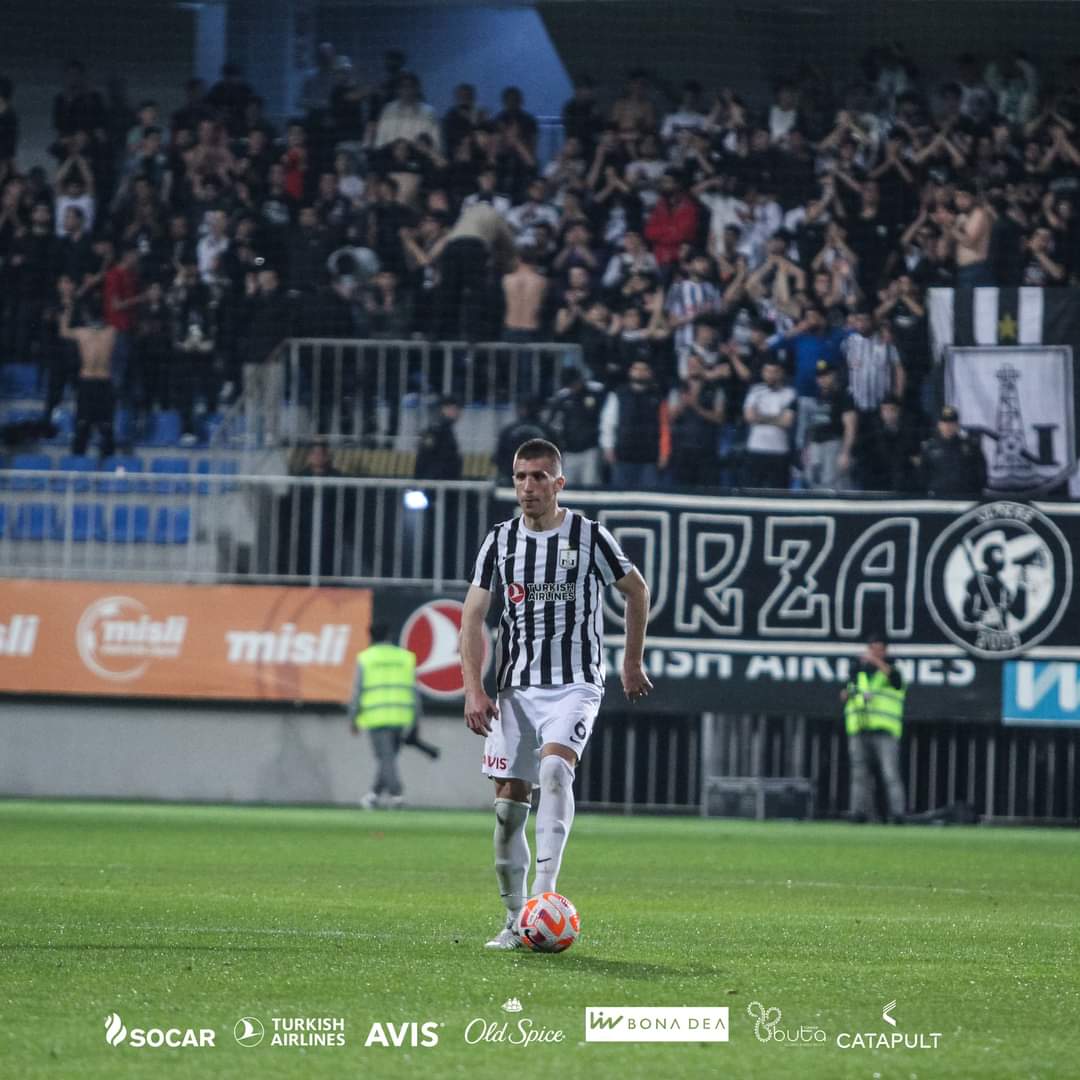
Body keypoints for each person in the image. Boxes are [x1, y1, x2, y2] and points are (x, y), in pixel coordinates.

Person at [460, 438, 652, 949]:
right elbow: (472, 616)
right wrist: (474, 690)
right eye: (521, 477)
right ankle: (513, 919)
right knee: (507, 812)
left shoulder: (589, 535)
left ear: (558, 483)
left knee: (553, 770)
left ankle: (544, 897)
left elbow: (636, 591)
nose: (528, 486)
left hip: (576, 682)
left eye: (539, 477)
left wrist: (631, 662)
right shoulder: (500, 541)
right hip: (516, 690)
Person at [348, 621, 420, 810]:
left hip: (376, 716)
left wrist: (353, 718)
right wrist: (416, 720)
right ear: (389, 635)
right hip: (401, 716)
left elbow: (357, 691)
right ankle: (373, 796)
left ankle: (397, 795)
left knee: (386, 759)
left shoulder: (366, 658)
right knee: (388, 759)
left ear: (371, 637)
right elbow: (414, 691)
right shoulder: (405, 657)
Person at [841, 633, 906, 824]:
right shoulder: (858, 673)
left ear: (885, 651)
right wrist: (849, 693)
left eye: (879, 650)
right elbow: (845, 693)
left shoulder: (892, 671)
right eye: (872, 649)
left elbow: (896, 682)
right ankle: (858, 813)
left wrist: (877, 662)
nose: (875, 653)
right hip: (860, 728)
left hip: (885, 731)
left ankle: (897, 814)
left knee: (890, 774)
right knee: (859, 775)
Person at [61, 292, 116, 459]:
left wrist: (68, 307)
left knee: (97, 425)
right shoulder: (111, 332)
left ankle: (87, 459)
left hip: (92, 382)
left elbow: (63, 331)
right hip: (98, 382)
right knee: (93, 424)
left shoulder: (84, 333)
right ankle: (82, 460)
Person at [919, 405, 988, 496]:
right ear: (939, 425)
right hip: (937, 498)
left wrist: (974, 493)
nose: (948, 426)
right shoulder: (929, 448)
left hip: (965, 498)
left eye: (952, 423)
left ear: (957, 425)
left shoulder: (971, 447)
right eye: (945, 422)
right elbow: (922, 477)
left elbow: (981, 474)